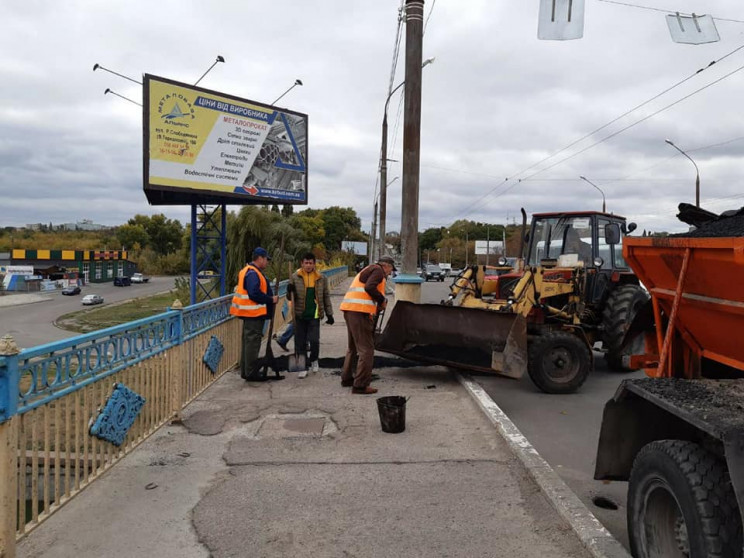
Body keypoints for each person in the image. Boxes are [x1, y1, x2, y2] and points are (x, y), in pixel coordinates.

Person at [339, 255, 395, 394]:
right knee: (367, 349)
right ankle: (360, 385)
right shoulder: (378, 270)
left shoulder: (369, 268)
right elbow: (369, 287)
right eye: (391, 269)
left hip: (350, 310)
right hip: (359, 313)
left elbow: (366, 290)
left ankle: (347, 378)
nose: (390, 273)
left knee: (353, 347)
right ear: (386, 265)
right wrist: (382, 300)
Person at [230, 247, 278, 381]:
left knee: (248, 342)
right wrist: (270, 299)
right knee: (252, 343)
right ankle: (251, 372)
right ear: (260, 258)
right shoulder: (252, 273)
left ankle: (247, 371)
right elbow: (254, 293)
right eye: (266, 259)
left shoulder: (248, 271)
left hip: (250, 313)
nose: (267, 262)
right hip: (253, 314)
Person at [286, 252, 335, 378]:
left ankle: (314, 360)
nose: (308, 265)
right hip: (299, 314)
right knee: (300, 342)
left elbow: (325, 296)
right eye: (306, 263)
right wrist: (289, 290)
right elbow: (290, 297)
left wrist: (329, 314)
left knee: (314, 340)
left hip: (314, 314)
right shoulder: (295, 277)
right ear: (302, 263)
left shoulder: (321, 278)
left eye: (311, 263)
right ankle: (303, 367)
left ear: (314, 264)